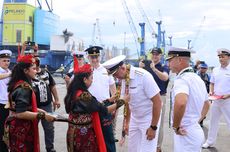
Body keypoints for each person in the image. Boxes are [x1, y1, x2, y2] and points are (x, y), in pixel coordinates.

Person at [64, 58, 129, 152]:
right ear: (85, 79)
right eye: (91, 78)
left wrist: (109, 100)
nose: (92, 81)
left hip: (73, 132)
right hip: (83, 135)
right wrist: (122, 101)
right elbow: (104, 110)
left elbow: (92, 105)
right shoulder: (84, 96)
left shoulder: (74, 92)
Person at [103, 55, 162, 152]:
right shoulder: (123, 79)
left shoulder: (143, 76)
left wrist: (153, 127)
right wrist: (127, 122)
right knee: (133, 149)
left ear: (122, 68)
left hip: (149, 118)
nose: (115, 77)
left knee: (147, 149)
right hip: (135, 118)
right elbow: (128, 102)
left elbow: (158, 102)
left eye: (115, 74)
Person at [5, 54, 55, 152]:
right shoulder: (24, 88)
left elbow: (24, 107)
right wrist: (43, 116)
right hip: (21, 128)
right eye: (33, 68)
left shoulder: (18, 83)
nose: (36, 71)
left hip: (17, 126)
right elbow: (21, 113)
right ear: (25, 71)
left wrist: (40, 110)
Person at [166, 47, 210, 152]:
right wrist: (196, 121)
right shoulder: (197, 79)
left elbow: (181, 103)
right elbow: (207, 104)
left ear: (179, 60)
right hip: (194, 130)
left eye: (170, 60)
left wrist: (176, 126)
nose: (168, 64)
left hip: (184, 133)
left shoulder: (182, 80)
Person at [85, 46, 117, 152]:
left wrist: (114, 105)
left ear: (99, 56)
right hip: (89, 107)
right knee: (90, 136)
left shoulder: (106, 70)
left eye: (96, 56)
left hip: (105, 107)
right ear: (88, 57)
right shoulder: (86, 71)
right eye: (92, 57)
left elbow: (113, 89)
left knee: (108, 135)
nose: (94, 60)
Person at [139, 48, 169, 152]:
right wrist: (140, 69)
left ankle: (158, 146)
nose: (155, 56)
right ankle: (147, 144)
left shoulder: (164, 66)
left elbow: (165, 77)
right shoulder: (147, 66)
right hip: (147, 97)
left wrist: (154, 69)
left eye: (157, 54)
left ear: (161, 56)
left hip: (160, 96)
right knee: (146, 121)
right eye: (153, 54)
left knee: (158, 123)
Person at [202, 48, 230, 149]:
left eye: (223, 56)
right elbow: (212, 83)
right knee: (213, 121)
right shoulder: (215, 70)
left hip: (228, 101)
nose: (221, 59)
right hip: (216, 100)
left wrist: (228, 95)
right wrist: (211, 91)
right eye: (219, 57)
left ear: (228, 57)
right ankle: (210, 142)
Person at [32, 57, 60, 152]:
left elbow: (52, 86)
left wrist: (56, 99)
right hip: (33, 106)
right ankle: (33, 148)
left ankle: (50, 148)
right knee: (32, 128)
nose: (34, 65)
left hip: (47, 105)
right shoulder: (28, 74)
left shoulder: (45, 72)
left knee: (49, 128)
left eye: (35, 63)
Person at [0, 50, 12, 152]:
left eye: (8, 60)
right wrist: (9, 75)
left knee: (8, 129)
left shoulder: (9, 71)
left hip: (9, 104)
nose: (6, 63)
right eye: (4, 60)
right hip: (0, 104)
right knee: (1, 129)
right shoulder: (5, 73)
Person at [197, 62, 211, 127]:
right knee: (197, 108)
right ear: (199, 68)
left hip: (205, 95)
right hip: (197, 94)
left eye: (205, 68)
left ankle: (201, 121)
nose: (203, 69)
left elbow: (210, 85)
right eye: (202, 68)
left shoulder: (208, 76)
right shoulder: (196, 75)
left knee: (204, 108)